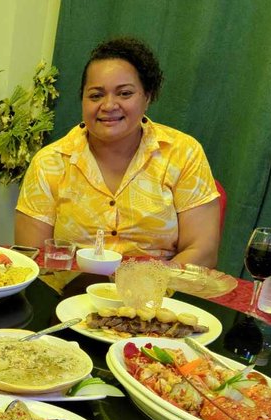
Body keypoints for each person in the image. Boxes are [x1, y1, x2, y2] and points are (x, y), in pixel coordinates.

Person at [15, 37, 221, 267]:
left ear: (148, 96)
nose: (109, 105)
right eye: (96, 95)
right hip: (69, 292)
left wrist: (140, 286)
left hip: (159, 293)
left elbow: (202, 251)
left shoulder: (183, 153)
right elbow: (32, 256)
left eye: (124, 93)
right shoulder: (49, 162)